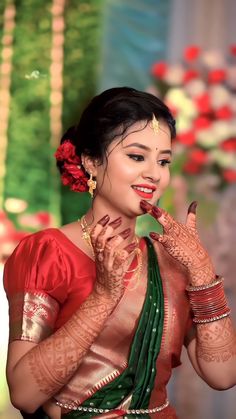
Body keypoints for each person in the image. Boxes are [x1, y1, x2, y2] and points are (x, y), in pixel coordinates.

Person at [3, 87, 236, 419]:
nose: (154, 174)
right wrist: (103, 297)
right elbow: (24, 394)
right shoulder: (47, 252)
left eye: (164, 161)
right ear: (91, 162)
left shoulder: (168, 261)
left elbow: (224, 376)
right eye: (137, 156)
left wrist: (201, 272)